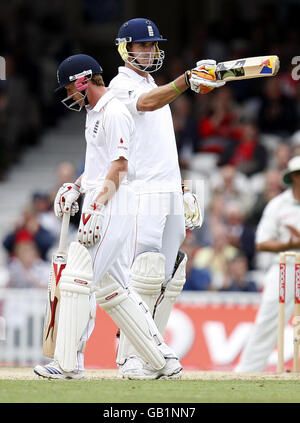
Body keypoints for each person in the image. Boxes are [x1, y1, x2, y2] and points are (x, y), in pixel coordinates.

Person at [34, 54, 182, 380]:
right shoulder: (94, 113)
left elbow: (119, 167)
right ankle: (163, 360)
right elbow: (100, 167)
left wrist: (97, 206)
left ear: (84, 80)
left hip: (114, 205)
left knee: (77, 278)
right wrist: (76, 186)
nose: (69, 94)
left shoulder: (115, 110)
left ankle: (68, 364)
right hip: (105, 202)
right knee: (115, 291)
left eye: (70, 86)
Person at [108, 18, 225, 378]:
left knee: (171, 277)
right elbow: (145, 104)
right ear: (125, 49)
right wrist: (186, 81)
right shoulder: (120, 85)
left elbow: (159, 143)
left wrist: (181, 186)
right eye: (142, 46)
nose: (149, 51)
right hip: (142, 193)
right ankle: (129, 358)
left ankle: (149, 356)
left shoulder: (152, 83)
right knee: (143, 276)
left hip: (169, 190)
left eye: (153, 45)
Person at [235, 155, 300, 372]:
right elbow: (262, 243)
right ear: (293, 178)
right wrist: (289, 243)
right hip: (286, 266)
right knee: (268, 320)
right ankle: (247, 372)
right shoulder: (278, 205)